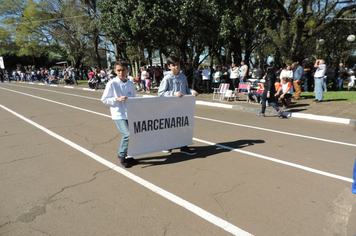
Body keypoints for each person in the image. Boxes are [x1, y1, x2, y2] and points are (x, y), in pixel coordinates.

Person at [158, 55, 199, 155]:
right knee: (170, 127)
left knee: (183, 126)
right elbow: (161, 93)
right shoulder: (167, 78)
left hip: (182, 106)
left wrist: (192, 91)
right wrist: (174, 93)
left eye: (177, 64)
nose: (176, 67)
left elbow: (186, 88)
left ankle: (184, 146)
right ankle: (168, 145)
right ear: (169, 66)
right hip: (170, 107)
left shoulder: (183, 76)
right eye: (173, 65)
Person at [101, 61, 137, 168]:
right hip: (118, 114)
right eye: (118, 70)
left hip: (129, 113)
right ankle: (121, 155)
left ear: (127, 70)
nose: (121, 72)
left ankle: (129, 155)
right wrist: (117, 99)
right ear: (115, 71)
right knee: (127, 134)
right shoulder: (112, 83)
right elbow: (104, 99)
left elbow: (133, 98)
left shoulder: (130, 83)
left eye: (123, 70)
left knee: (133, 135)